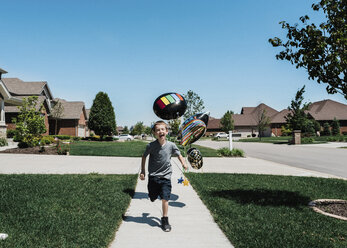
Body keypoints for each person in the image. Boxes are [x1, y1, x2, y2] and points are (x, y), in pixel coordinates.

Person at [140, 120, 187, 232]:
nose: (160, 131)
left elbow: (179, 154)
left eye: (162, 129)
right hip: (153, 177)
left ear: (166, 131)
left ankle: (165, 219)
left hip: (166, 177)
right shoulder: (151, 146)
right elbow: (144, 157)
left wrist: (183, 163)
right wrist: (143, 171)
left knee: (165, 198)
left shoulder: (171, 145)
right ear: (155, 133)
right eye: (158, 130)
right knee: (152, 197)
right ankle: (153, 195)